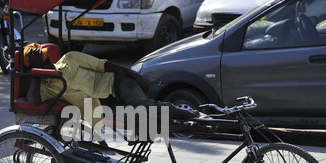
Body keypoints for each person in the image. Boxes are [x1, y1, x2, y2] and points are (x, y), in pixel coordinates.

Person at [23, 43, 199, 130]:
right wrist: (36, 74)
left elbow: (103, 64)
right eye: (40, 64)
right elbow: (32, 101)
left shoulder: (70, 58)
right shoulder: (45, 87)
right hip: (102, 107)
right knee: (142, 121)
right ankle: (187, 125)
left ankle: (186, 113)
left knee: (142, 107)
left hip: (117, 82)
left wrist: (134, 74)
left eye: (45, 60)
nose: (46, 64)